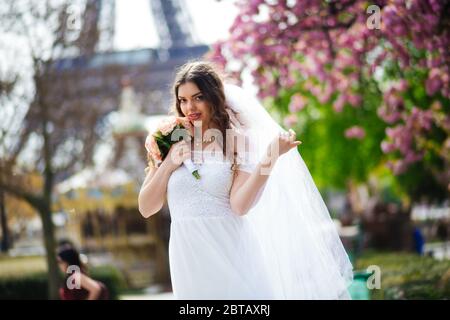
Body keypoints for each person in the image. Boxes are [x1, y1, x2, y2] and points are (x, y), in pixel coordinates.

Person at [138, 61, 353, 299]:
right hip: (188, 258)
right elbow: (147, 208)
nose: (190, 107)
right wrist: (169, 164)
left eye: (198, 97)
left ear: (213, 97)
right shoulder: (167, 139)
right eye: (183, 100)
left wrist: (270, 157)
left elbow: (240, 206)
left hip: (232, 253)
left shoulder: (236, 142)